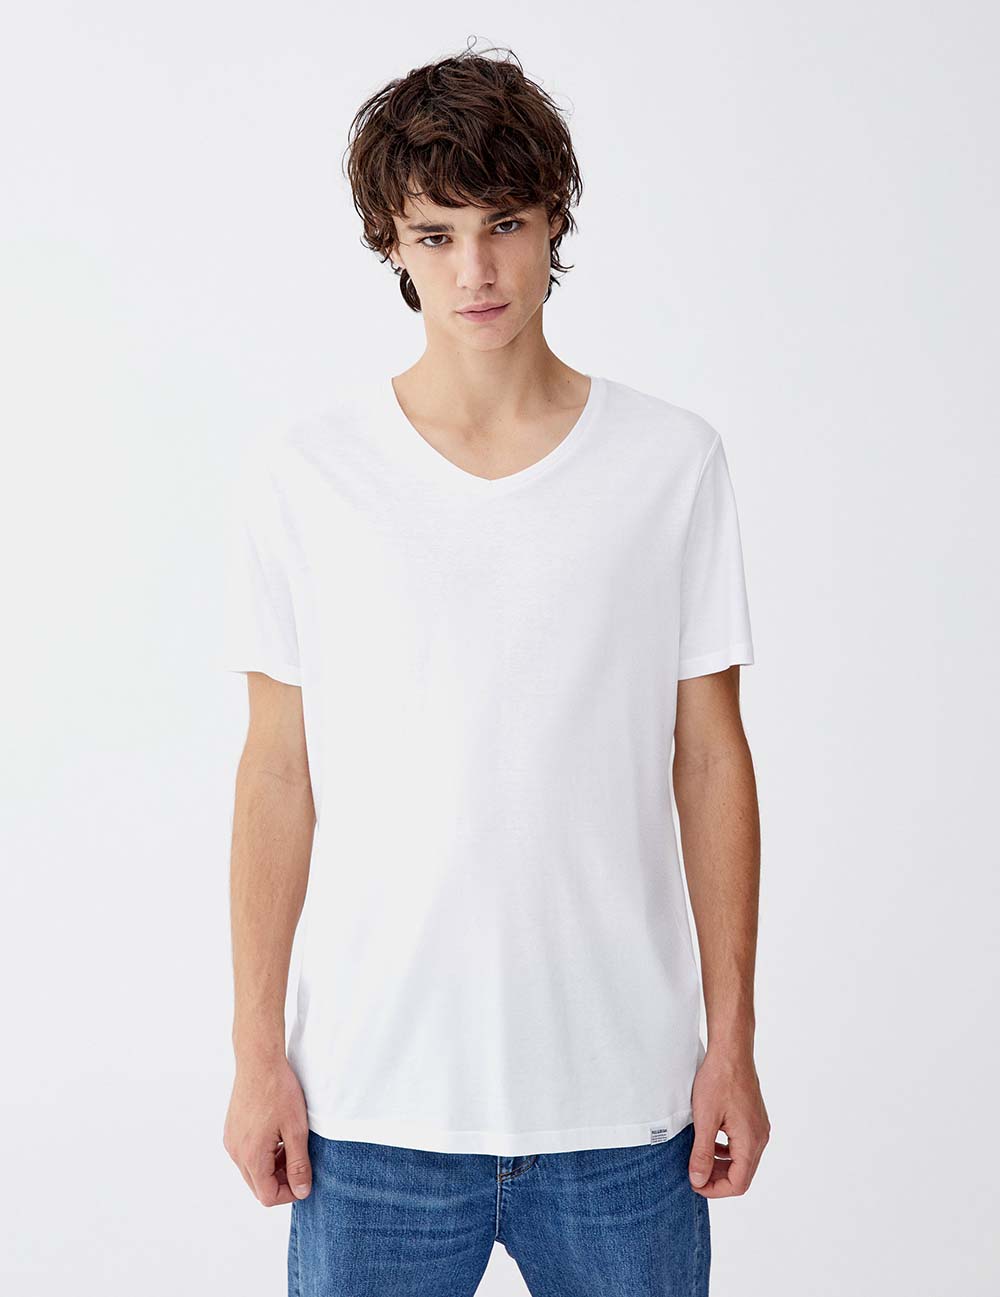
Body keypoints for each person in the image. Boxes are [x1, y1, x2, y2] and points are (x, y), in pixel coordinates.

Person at [221, 44, 769, 1297]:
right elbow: (277, 773)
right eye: (436, 233)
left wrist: (731, 1039)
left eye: (505, 224)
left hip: (625, 1109)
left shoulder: (668, 462)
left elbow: (708, 758)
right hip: (370, 1105)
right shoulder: (304, 474)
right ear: (391, 242)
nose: (475, 270)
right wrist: (256, 1054)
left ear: (553, 220)